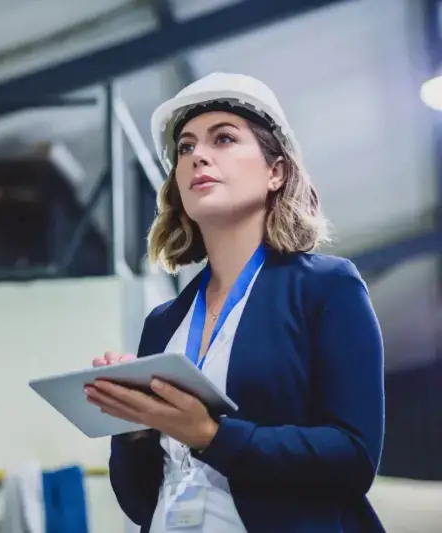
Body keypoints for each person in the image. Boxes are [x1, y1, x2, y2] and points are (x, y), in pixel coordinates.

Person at [83, 72, 385, 533]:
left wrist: (211, 436)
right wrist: (137, 427)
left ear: (276, 171)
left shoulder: (328, 287)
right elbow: (140, 501)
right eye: (185, 147)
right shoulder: (164, 322)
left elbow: (355, 457)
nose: (198, 155)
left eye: (224, 138)